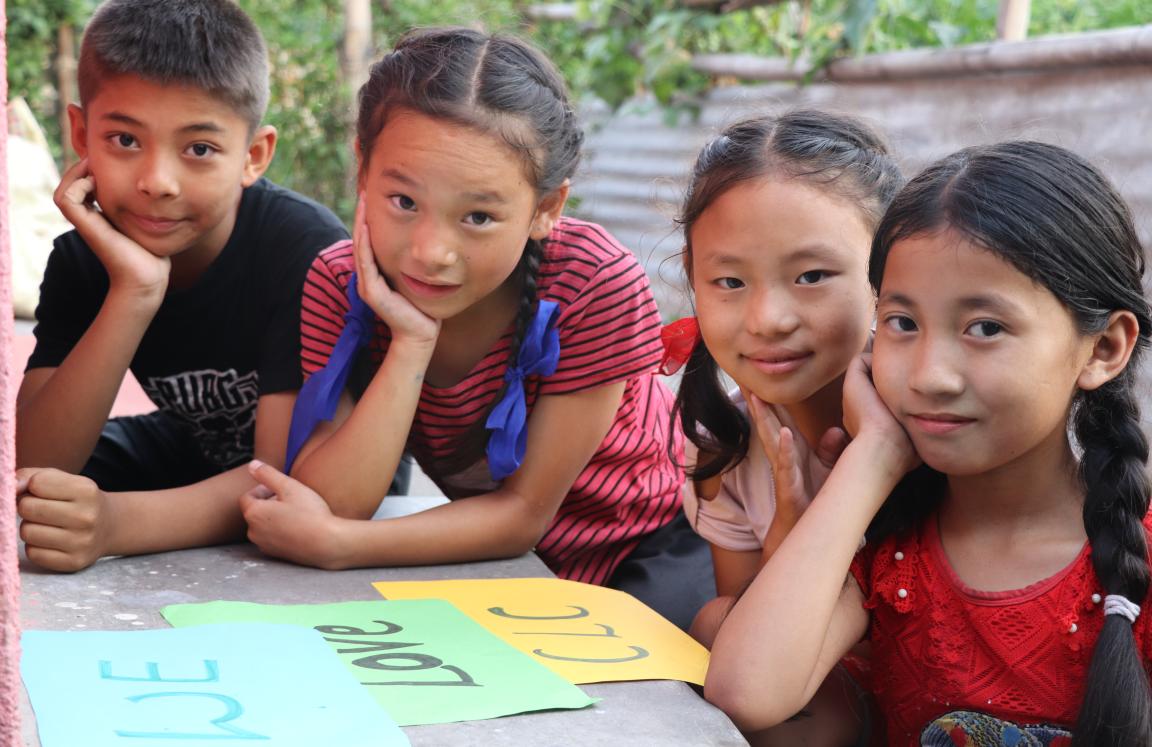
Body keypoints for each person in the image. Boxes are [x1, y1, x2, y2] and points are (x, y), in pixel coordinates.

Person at [238, 27, 712, 630]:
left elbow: (522, 515)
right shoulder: (341, 283)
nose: (432, 252)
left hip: (646, 545)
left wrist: (340, 544)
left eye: (479, 216)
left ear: (546, 209)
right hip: (493, 559)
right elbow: (334, 501)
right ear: (363, 171)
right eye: (404, 202)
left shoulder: (591, 282)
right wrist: (410, 344)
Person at [706, 140, 1152, 746]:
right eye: (903, 323)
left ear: (1102, 348)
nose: (929, 375)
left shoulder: (1135, 560)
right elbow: (747, 693)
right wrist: (873, 455)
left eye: (985, 328)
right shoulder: (890, 547)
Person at [15, 0, 349, 572]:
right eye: (123, 140)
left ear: (254, 155)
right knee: (39, 495)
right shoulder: (83, 258)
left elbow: (283, 477)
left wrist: (115, 525)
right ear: (80, 133)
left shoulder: (303, 248)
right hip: (193, 448)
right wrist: (135, 291)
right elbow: (35, 460)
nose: (157, 183)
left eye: (198, 149)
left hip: (321, 469)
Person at [671, 110, 903, 651]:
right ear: (692, 277)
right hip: (800, 688)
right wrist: (786, 534)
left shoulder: (938, 422)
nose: (768, 319)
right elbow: (751, 653)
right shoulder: (722, 442)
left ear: (888, 271)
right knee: (716, 624)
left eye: (812, 276)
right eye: (729, 281)